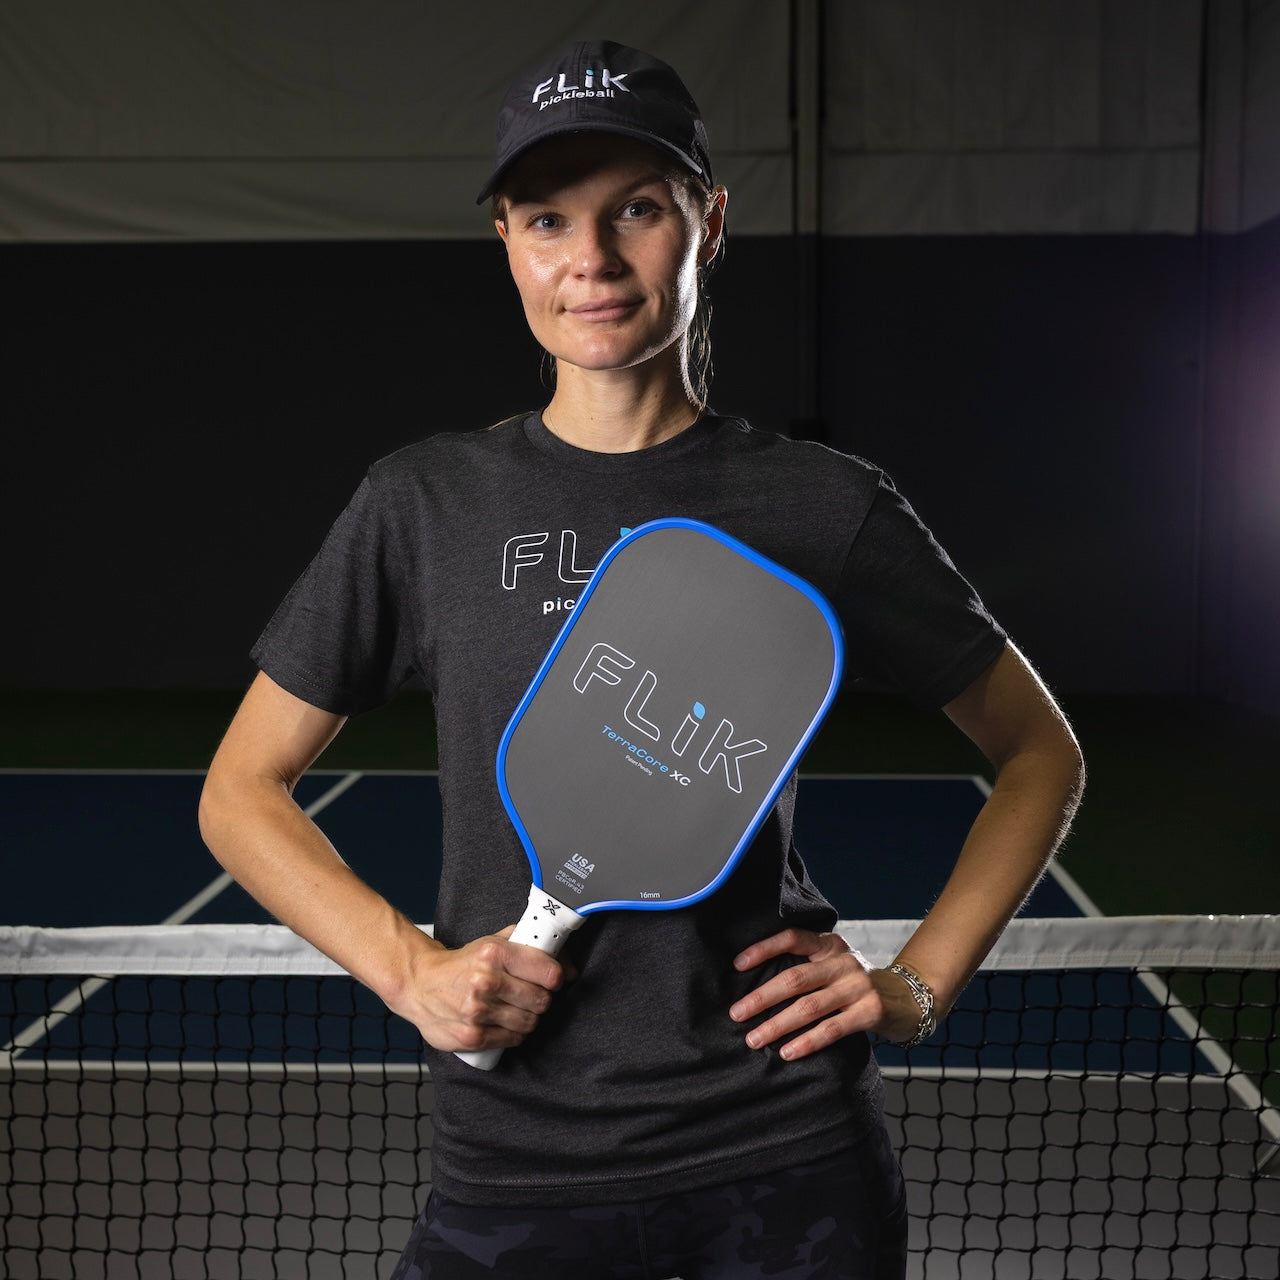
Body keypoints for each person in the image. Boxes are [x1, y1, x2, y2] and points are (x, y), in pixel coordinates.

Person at [199, 40, 1084, 1279]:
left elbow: (1040, 753)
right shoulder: (423, 503)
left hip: (781, 1153)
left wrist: (917, 985)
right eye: (546, 219)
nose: (591, 260)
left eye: (636, 210)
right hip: (512, 1160)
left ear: (707, 223)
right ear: (506, 243)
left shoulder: (821, 504)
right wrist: (407, 968)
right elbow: (238, 790)